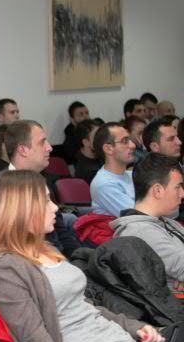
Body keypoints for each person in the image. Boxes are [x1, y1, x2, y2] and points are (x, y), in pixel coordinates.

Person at [0, 170, 184, 342]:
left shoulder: (46, 251)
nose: (55, 208)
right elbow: (35, 339)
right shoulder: (4, 267)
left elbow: (87, 308)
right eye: (45, 200)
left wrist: (136, 327)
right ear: (20, 209)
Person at [0, 120, 81, 257]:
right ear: (23, 150)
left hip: (57, 260)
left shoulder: (41, 180)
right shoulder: (1, 191)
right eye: (42, 142)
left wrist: (77, 260)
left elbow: (62, 234)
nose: (49, 148)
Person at [111, 154, 184, 294]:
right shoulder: (141, 232)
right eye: (178, 187)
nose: (182, 194)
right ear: (157, 190)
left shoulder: (167, 222)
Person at [91, 122, 136, 217]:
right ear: (108, 149)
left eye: (130, 140)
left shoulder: (130, 174)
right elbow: (139, 216)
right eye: (125, 141)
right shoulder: (104, 184)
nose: (133, 145)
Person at [73, 118, 104, 184]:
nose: (102, 139)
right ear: (86, 142)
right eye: (97, 136)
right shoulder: (87, 171)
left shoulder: (99, 157)